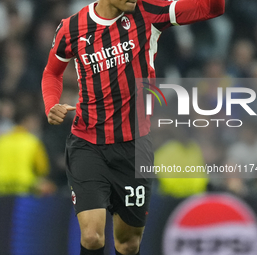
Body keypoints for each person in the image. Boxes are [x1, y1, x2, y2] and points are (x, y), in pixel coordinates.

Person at [41, 0, 225, 254]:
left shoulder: (149, 11)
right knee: (93, 235)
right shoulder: (71, 28)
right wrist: (51, 104)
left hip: (134, 147)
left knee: (127, 243)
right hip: (87, 143)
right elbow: (52, 72)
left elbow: (213, 8)